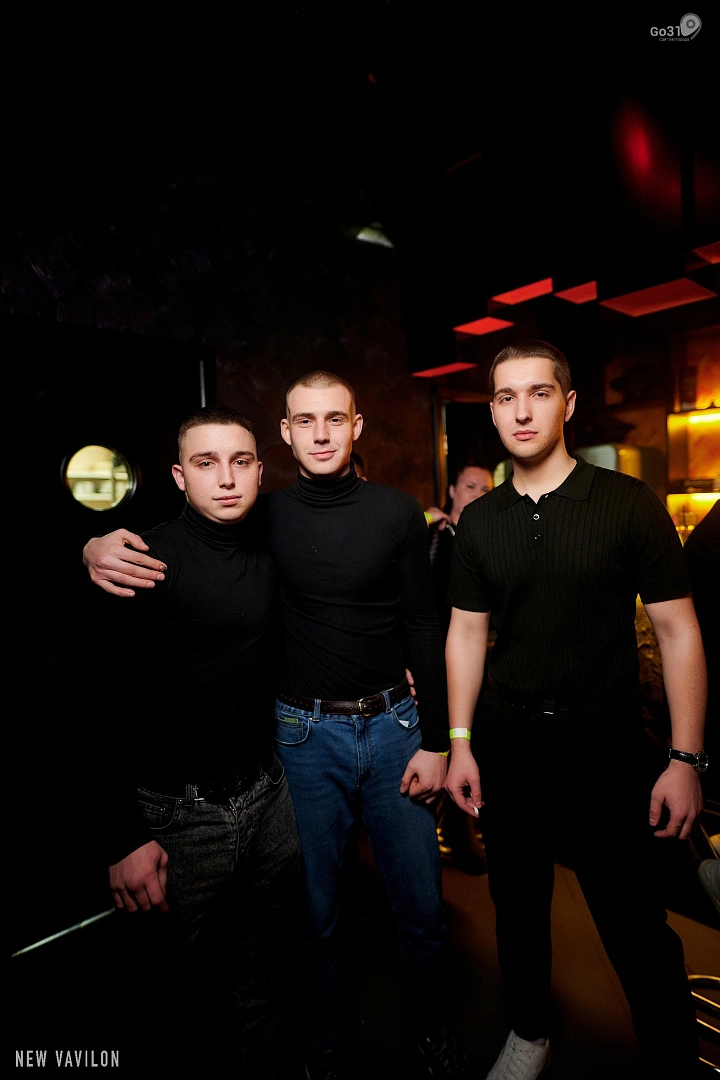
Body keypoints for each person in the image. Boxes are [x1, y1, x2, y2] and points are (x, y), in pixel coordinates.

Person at [83, 373, 466, 1080]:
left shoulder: (363, 517)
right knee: (283, 930)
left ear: (355, 426)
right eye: (304, 421)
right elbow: (99, 682)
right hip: (268, 758)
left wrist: (439, 736)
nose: (227, 478)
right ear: (284, 435)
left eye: (334, 419)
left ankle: (420, 1034)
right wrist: (88, 547)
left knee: (391, 914)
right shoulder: (230, 527)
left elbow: (417, 620)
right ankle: (319, 1050)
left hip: (347, 749)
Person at [444, 340, 707, 1080]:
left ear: (568, 403)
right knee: (518, 910)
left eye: (538, 392)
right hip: (509, 739)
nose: (521, 410)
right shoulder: (480, 520)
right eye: (505, 397)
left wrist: (686, 758)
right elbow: (465, 634)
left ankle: (674, 1062)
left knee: (636, 924)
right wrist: (460, 742)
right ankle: (530, 1033)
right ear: (493, 412)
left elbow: (679, 632)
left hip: (606, 741)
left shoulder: (628, 503)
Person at [92, 406, 304, 1079]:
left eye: (240, 462)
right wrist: (122, 837)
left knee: (265, 978)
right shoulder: (143, 560)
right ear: (181, 477)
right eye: (206, 464)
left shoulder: (273, 545)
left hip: (268, 797)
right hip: (177, 818)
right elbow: (94, 705)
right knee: (170, 1001)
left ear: (260, 470)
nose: (227, 479)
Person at [426, 463, 494, 873]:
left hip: (477, 660)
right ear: (452, 490)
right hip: (436, 658)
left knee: (470, 744)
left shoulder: (487, 535)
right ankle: (452, 835)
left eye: (486, 489)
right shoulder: (435, 533)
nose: (478, 495)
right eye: (470, 486)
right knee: (441, 745)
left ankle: (463, 829)